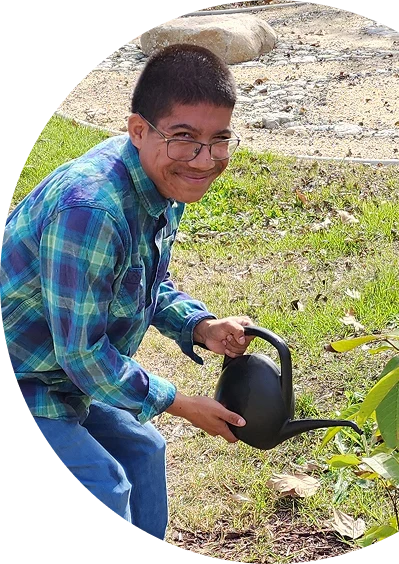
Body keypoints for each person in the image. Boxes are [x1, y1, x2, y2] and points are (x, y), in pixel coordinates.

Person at [0, 43, 255, 541]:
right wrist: (181, 402)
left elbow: (143, 283)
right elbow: (85, 357)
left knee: (144, 451)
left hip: (59, 373)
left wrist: (198, 325)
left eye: (219, 139)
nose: (205, 160)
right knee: (103, 483)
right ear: (139, 130)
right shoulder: (91, 211)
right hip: (27, 373)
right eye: (185, 138)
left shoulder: (162, 180)